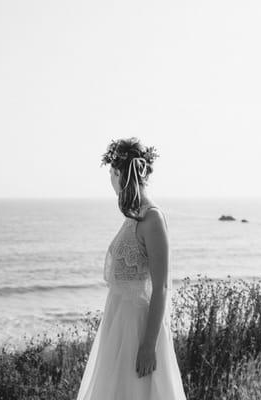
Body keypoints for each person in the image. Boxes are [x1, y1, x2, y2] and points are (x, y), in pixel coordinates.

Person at [76, 137, 187, 400]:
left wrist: (149, 345)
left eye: (112, 174)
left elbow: (161, 286)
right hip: (117, 324)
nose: (111, 182)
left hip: (138, 329)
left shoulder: (152, 219)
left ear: (118, 173)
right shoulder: (132, 217)